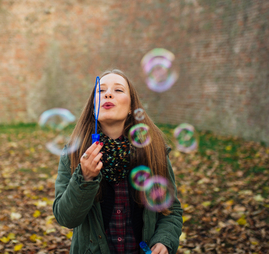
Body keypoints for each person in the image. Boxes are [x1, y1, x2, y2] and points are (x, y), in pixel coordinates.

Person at [53, 69, 183, 254]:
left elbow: (171, 211)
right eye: (101, 90)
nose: (108, 93)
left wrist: (163, 241)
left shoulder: (153, 151)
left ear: (131, 107)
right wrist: (85, 178)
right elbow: (66, 219)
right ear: (93, 107)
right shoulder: (75, 154)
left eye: (118, 90)